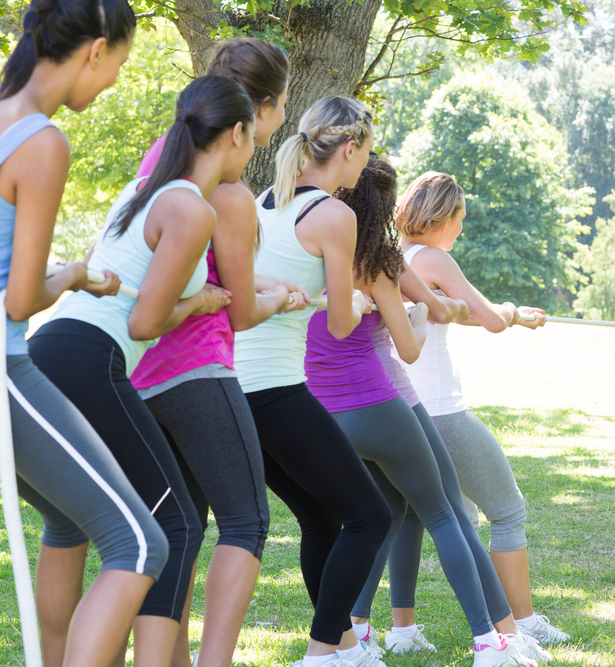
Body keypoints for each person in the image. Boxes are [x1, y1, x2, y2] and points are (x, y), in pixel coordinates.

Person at [28, 75, 253, 667]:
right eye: (252, 138)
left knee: (71, 522)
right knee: (172, 523)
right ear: (236, 134)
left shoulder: (144, 190)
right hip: (89, 354)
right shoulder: (191, 208)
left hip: (51, 346)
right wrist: (201, 302)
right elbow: (144, 323)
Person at [304, 155, 544, 666]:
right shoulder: (382, 260)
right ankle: (492, 640)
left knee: (376, 518)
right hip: (385, 401)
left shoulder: (311, 253)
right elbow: (413, 340)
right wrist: (423, 312)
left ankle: (356, 635)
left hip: (324, 417)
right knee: (447, 513)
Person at [128, 38, 305, 667]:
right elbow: (236, 307)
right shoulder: (229, 190)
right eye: (283, 106)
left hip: (138, 372)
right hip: (195, 365)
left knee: (180, 529)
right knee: (245, 523)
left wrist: (255, 284)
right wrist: (280, 299)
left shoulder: (164, 153)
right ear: (259, 112)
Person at [0, 3, 166, 666]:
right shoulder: (41, 141)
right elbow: (20, 297)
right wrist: (73, 274)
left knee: (70, 518)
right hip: (9, 369)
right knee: (140, 542)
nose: (115, 82)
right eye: (120, 65)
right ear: (95, 50)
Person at [233, 96, 392, 667]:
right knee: (371, 516)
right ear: (349, 150)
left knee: (321, 515)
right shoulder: (333, 215)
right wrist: (353, 299)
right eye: (364, 155)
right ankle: (323, 653)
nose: (361, 168)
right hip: (275, 388)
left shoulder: (263, 200)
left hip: (238, 392)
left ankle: (345, 647)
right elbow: (342, 323)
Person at [391, 171, 572, 645]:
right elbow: (489, 318)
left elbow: (448, 312)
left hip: (403, 411)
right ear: (441, 216)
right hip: (443, 411)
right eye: (460, 219)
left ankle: (403, 630)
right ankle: (523, 622)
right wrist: (509, 314)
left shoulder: (397, 256)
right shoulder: (433, 257)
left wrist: (514, 317)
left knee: (424, 516)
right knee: (507, 511)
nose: (462, 229)